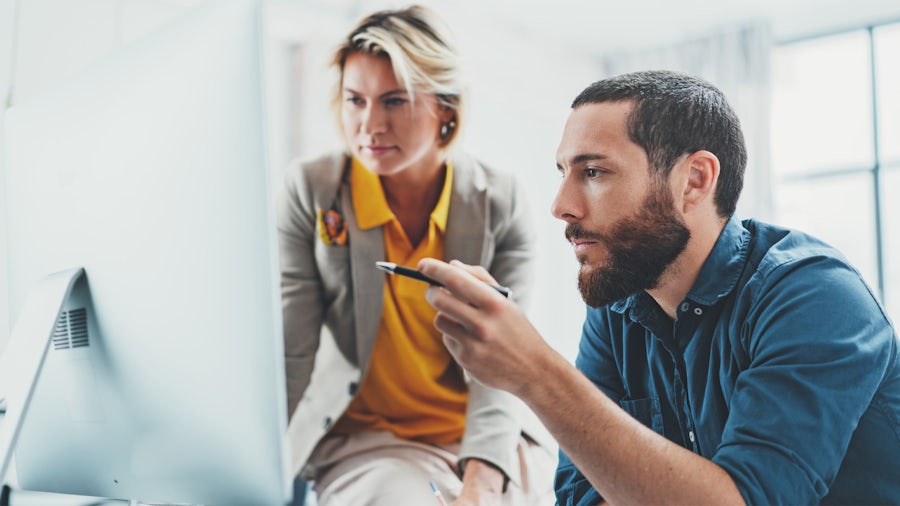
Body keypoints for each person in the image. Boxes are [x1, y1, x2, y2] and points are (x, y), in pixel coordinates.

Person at [418, 69, 900, 505]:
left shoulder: (815, 297)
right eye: (564, 174)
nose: (561, 206)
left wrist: (535, 372)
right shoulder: (620, 301)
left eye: (593, 172)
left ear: (694, 180)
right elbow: (582, 492)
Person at [276, 5, 555, 505]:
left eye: (394, 101)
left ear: (446, 107)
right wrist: (246, 472)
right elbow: (291, 355)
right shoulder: (313, 191)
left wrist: (481, 487)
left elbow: (505, 365)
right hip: (370, 441)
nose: (368, 125)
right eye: (354, 100)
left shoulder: (501, 203)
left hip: (485, 436)